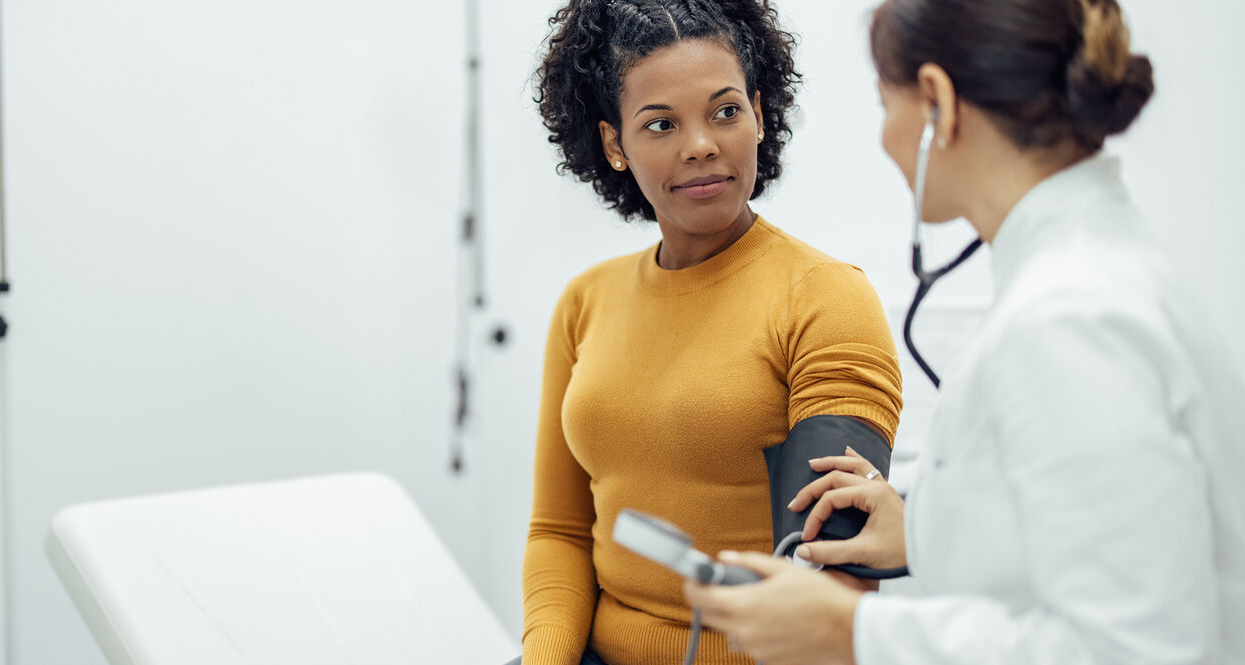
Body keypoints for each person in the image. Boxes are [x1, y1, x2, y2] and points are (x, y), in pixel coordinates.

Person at [683, 0, 1245, 663]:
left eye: (883, 102)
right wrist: (928, 527)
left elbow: (1135, 646)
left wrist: (852, 631)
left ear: (936, 103)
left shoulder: (1071, 320)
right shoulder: (1095, 275)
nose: (885, 135)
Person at [516, 1, 906, 664]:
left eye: (725, 111)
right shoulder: (585, 302)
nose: (701, 144)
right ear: (614, 143)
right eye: (661, 123)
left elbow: (829, 567)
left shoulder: (825, 297)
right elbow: (558, 529)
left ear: (758, 113)